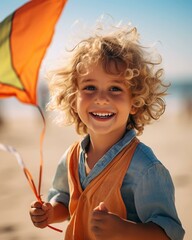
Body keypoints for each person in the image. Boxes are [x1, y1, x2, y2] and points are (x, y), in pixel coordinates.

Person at [29, 22, 185, 240]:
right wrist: (49, 213)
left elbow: (171, 233)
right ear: (74, 99)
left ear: (135, 102)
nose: (101, 98)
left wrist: (125, 230)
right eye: (90, 87)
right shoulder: (72, 156)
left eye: (115, 88)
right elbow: (64, 199)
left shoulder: (145, 167)